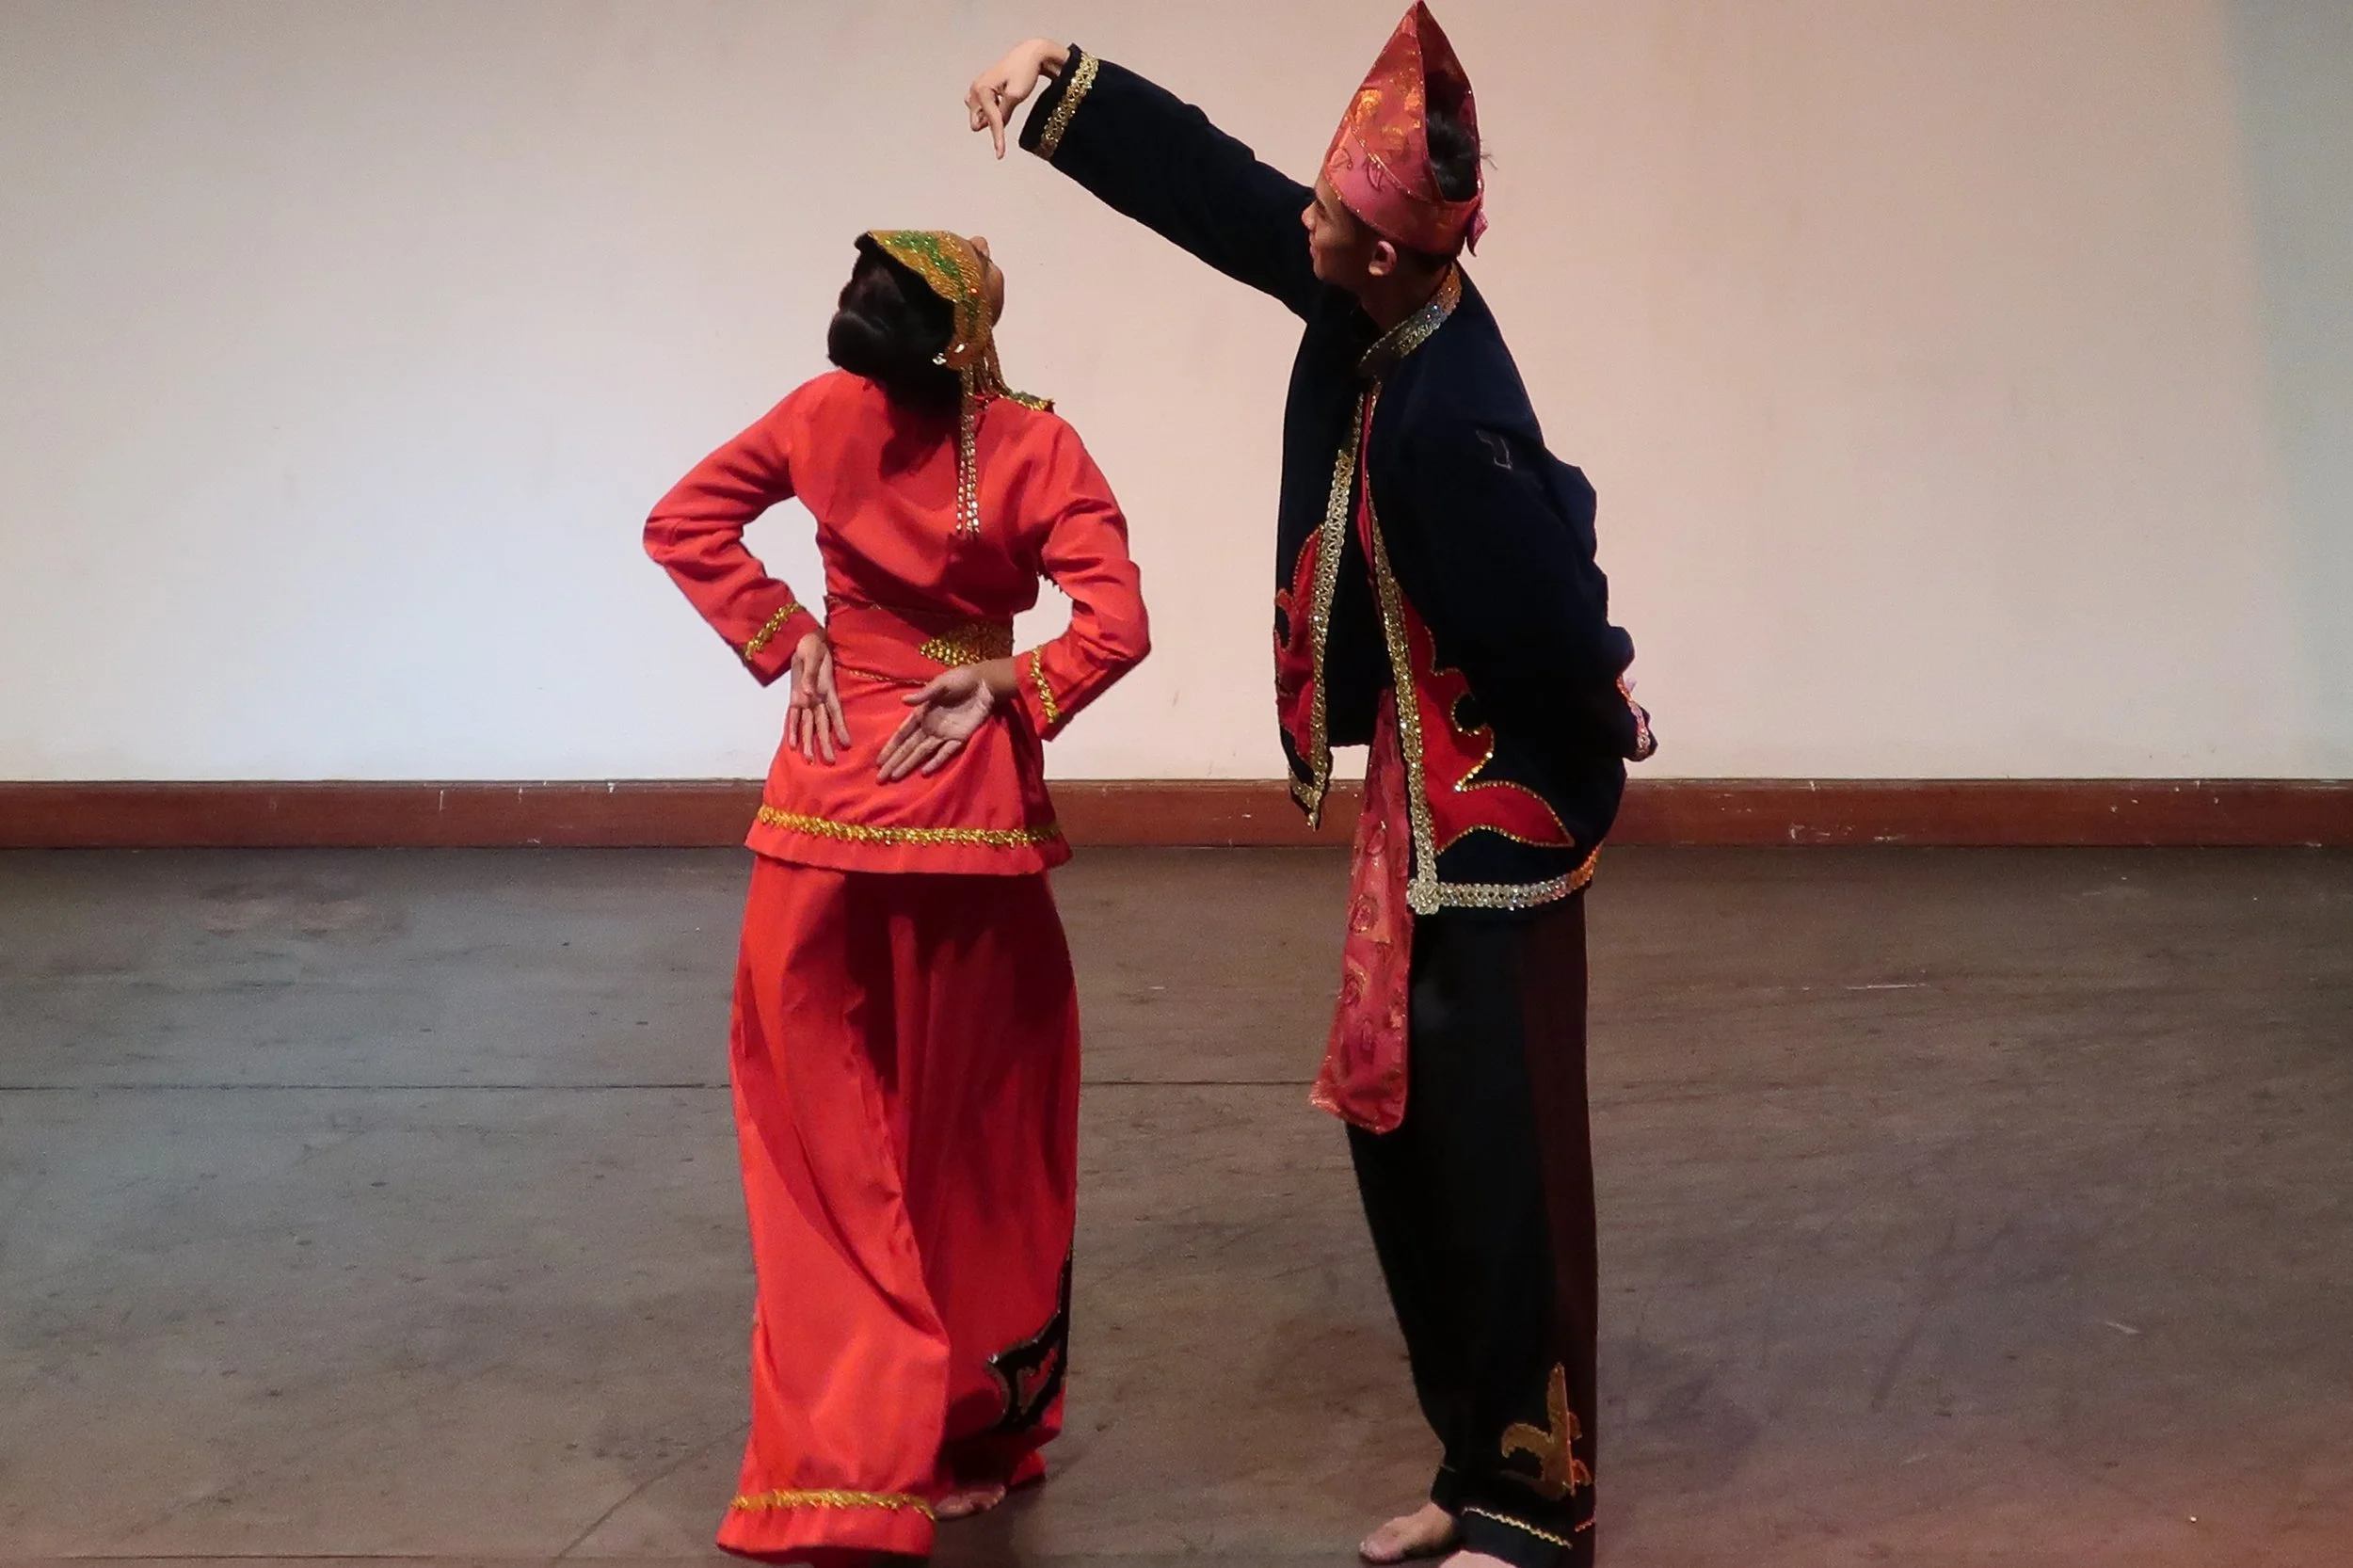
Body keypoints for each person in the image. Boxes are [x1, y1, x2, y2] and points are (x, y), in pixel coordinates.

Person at [966, 10, 1653, 1567]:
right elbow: (1223, 192)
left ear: (1392, 251)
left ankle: (1539, 1506)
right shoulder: (1377, 305)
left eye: (1332, 213)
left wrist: (1603, 694)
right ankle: (1475, 1463)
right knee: (1404, 1143)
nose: (1308, 224)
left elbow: (1555, 598)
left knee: (1503, 1164)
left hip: (1498, 833)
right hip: (1422, 811)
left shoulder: (1450, 415)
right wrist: (1066, 85)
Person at [644, 229, 1148, 1563]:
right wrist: (1008, 680)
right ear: (972, 338)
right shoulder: (1036, 447)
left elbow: (681, 521)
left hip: (820, 811)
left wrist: (790, 634)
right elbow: (1117, 624)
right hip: (964, 812)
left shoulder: (822, 413)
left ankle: (848, 1456)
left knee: (819, 1148)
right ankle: (958, 1430)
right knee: (972, 1141)